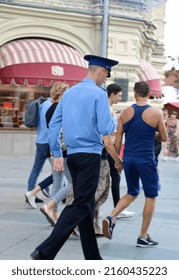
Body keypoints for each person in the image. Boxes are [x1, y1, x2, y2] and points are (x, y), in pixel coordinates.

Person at [30, 54, 120, 260]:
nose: (105, 79)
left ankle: (92, 257)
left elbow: (54, 124)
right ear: (100, 71)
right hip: (90, 156)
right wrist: (114, 122)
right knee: (81, 204)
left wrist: (56, 154)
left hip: (71, 156)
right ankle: (44, 251)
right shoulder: (98, 94)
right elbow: (104, 127)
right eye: (105, 74)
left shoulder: (69, 94)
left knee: (86, 203)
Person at [102, 81, 167, 247]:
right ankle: (143, 236)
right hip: (146, 158)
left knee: (132, 192)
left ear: (135, 94)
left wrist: (117, 160)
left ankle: (112, 216)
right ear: (148, 94)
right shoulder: (156, 113)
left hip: (129, 158)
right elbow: (164, 137)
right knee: (151, 195)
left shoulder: (125, 112)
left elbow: (118, 138)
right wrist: (152, 134)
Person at [25, 82, 70, 227]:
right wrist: (56, 154)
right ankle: (47, 203)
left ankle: (52, 210)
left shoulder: (45, 105)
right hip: (55, 146)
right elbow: (55, 131)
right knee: (69, 181)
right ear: (62, 93)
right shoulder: (58, 108)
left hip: (44, 143)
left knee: (54, 176)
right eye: (66, 92)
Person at [65, 135, 123, 236]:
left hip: (80, 156)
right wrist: (118, 160)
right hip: (96, 159)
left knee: (93, 193)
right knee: (97, 193)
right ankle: (75, 222)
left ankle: (93, 226)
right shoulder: (100, 120)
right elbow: (108, 143)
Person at [107, 83, 135, 218]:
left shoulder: (110, 109)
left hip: (107, 147)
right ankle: (117, 209)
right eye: (118, 95)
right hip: (105, 148)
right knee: (112, 177)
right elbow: (106, 134)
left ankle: (117, 208)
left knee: (114, 177)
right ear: (112, 94)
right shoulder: (106, 109)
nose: (120, 98)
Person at [25, 92, 53, 203]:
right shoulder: (52, 106)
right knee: (59, 169)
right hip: (48, 143)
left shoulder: (42, 105)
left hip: (40, 141)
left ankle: (30, 192)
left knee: (36, 169)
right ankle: (44, 187)